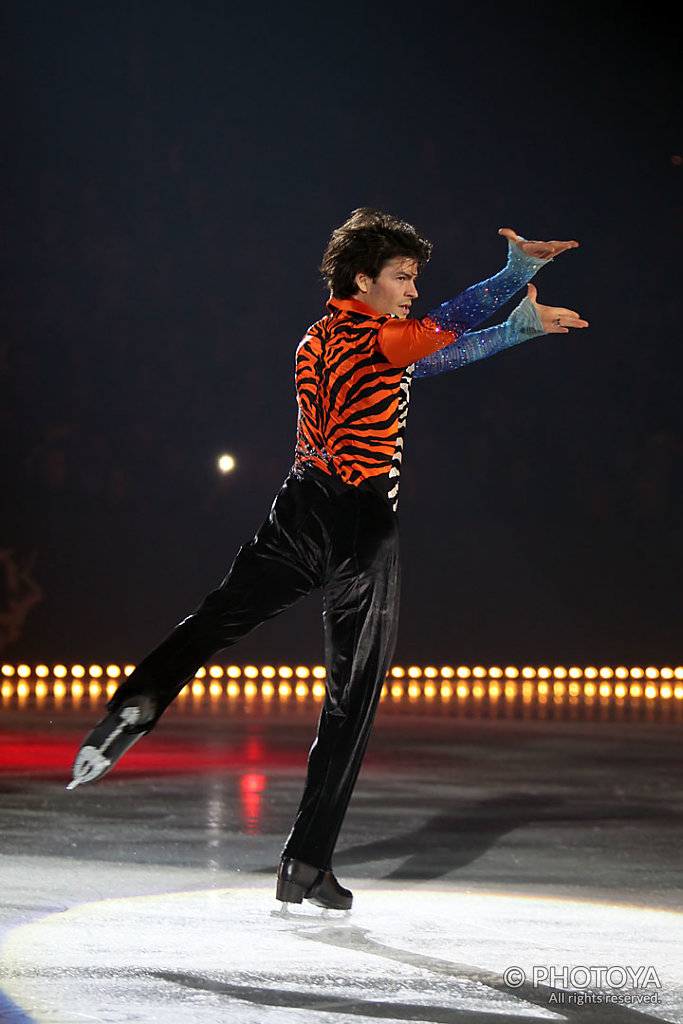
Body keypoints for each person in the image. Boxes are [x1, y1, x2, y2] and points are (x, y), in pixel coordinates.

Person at [68, 209, 588, 910]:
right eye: (401, 278)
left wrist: (516, 329)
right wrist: (514, 275)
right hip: (359, 522)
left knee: (216, 618)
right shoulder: (383, 338)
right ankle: (306, 860)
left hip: (299, 506)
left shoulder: (319, 337)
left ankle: (136, 703)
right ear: (362, 278)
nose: (410, 290)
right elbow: (441, 328)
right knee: (351, 697)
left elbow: (431, 356)